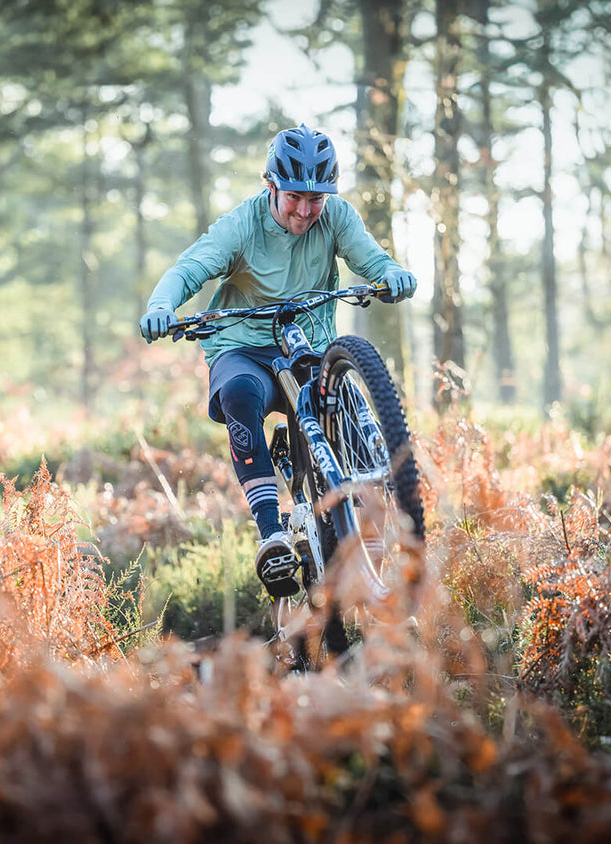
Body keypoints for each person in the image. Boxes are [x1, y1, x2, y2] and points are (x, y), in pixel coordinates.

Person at [139, 124, 417, 599]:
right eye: (294, 197)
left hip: (308, 344)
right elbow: (189, 269)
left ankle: (368, 520)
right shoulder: (242, 225)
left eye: (317, 199)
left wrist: (392, 273)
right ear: (271, 186)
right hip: (242, 346)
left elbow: (372, 260)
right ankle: (272, 533)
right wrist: (161, 306)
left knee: (344, 405)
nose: (306, 211)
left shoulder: (337, 218)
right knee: (240, 393)